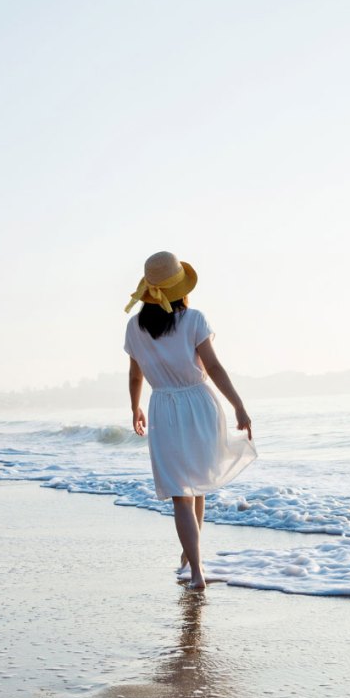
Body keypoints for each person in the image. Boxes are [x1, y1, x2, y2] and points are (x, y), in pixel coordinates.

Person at [124, 251, 256, 590]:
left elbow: (135, 374)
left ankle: (191, 561)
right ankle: (196, 571)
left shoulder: (134, 326)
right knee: (194, 487)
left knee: (185, 490)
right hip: (198, 403)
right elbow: (212, 367)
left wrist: (135, 407)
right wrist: (238, 405)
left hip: (162, 407)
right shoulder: (194, 318)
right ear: (180, 289)